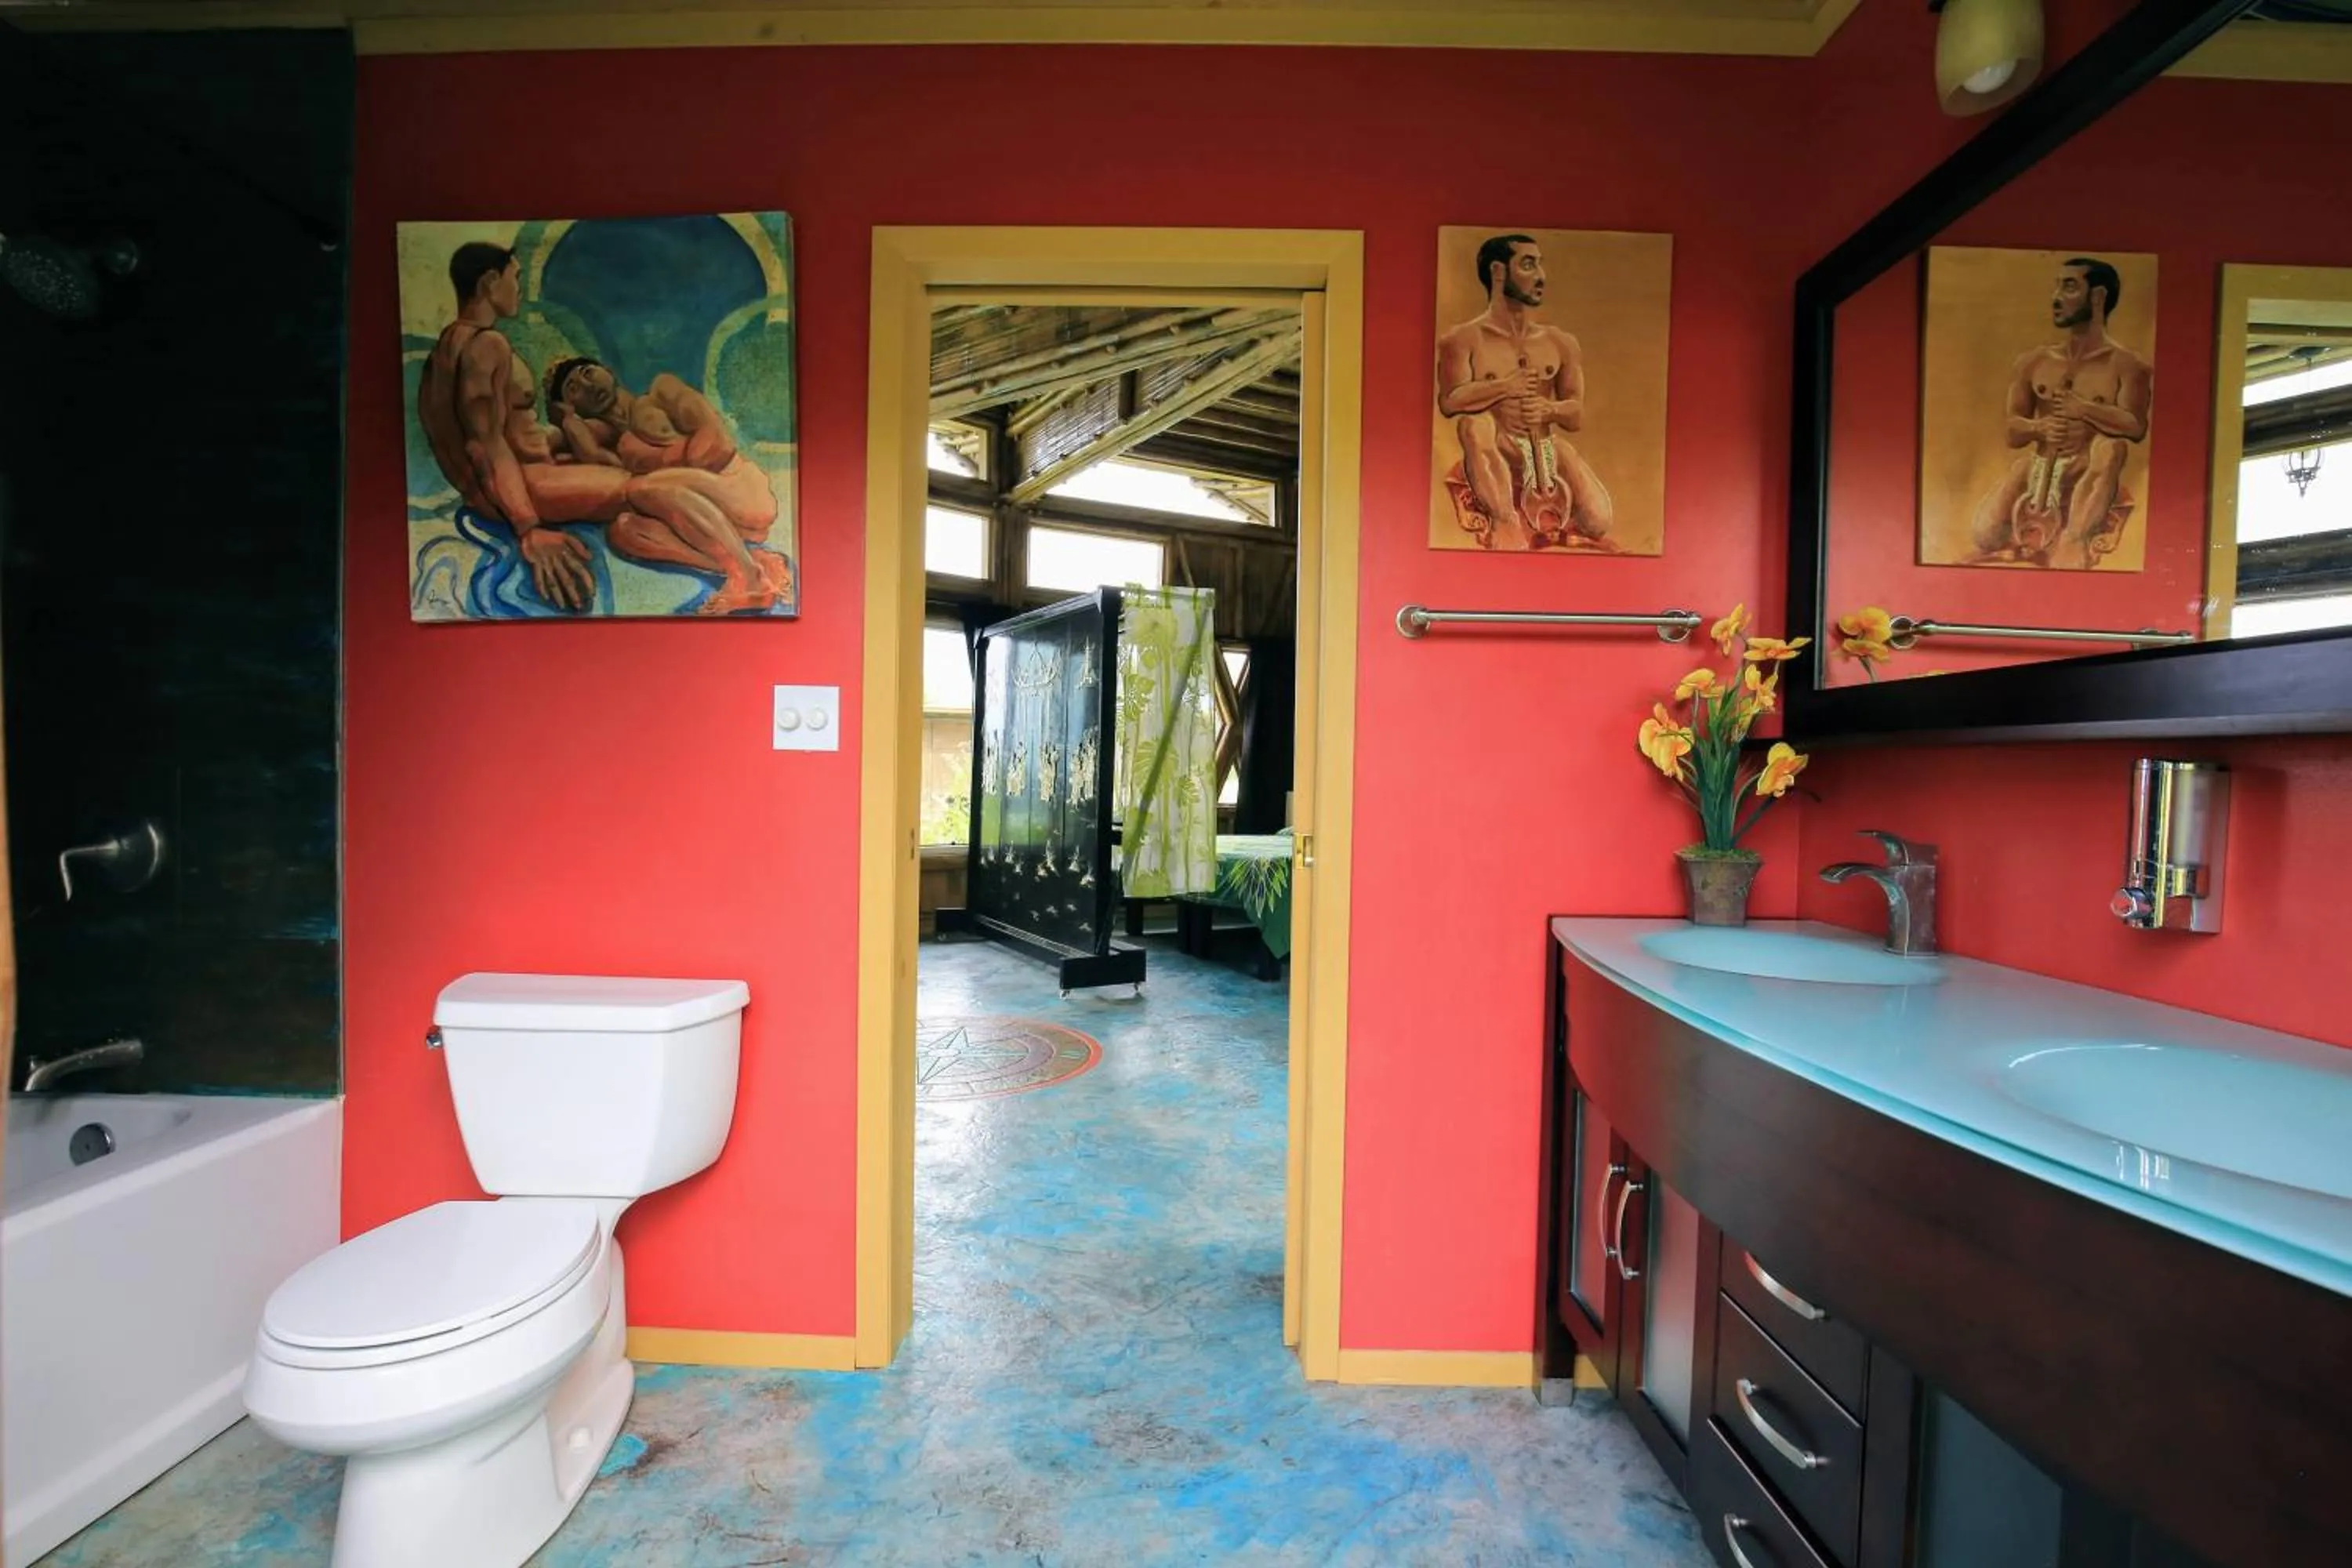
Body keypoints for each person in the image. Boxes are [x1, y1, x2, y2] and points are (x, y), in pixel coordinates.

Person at [416, 242, 625, 611]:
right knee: (645, 486)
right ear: (490, 281)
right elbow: (484, 445)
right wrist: (528, 528)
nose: (520, 289)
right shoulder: (488, 345)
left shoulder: (448, 346)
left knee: (606, 436)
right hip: (523, 489)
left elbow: (490, 436)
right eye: (516, 278)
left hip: (499, 486)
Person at [544, 356, 789, 615]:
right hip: (708, 517)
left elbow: (717, 445)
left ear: (607, 370)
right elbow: (591, 457)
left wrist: (664, 467)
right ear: (572, 405)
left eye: (588, 372)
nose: (588, 386)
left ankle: (749, 579)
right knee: (624, 531)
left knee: (637, 489)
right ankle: (750, 564)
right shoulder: (617, 443)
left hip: (739, 490)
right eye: (574, 388)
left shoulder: (662, 391)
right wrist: (568, 421)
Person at [1969, 257, 2154, 569]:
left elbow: (2135, 427)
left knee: (2111, 449)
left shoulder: (2127, 366)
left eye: (2069, 287)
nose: (2056, 297)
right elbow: (2013, 432)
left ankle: (2075, 536)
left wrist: (2085, 409)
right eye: (2057, 286)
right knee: (1985, 536)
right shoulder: (2035, 361)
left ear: (2098, 297)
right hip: (2038, 471)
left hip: (2087, 474)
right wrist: (2040, 428)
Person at [1435, 234, 1613, 549]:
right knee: (1474, 425)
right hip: (1495, 448)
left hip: (1543, 450)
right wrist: (1504, 387)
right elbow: (1450, 403)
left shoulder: (1561, 342)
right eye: (1528, 265)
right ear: (1498, 272)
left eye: (1540, 265)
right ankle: (1505, 519)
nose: (1541, 276)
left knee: (1598, 521)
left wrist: (1549, 409)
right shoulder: (1463, 340)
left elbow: (1576, 416)